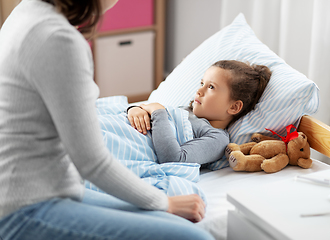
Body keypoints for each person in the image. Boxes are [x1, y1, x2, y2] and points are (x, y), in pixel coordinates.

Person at [0, 0, 215, 240]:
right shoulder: (58, 39)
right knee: (195, 237)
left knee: (170, 220)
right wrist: (164, 202)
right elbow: (92, 162)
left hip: (37, 188)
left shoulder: (28, 10)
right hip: (23, 207)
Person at [127, 60, 271, 165]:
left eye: (211, 87)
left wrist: (157, 111)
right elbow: (144, 113)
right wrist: (134, 109)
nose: (199, 91)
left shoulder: (217, 138)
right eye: (202, 83)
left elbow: (174, 159)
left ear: (234, 107)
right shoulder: (183, 111)